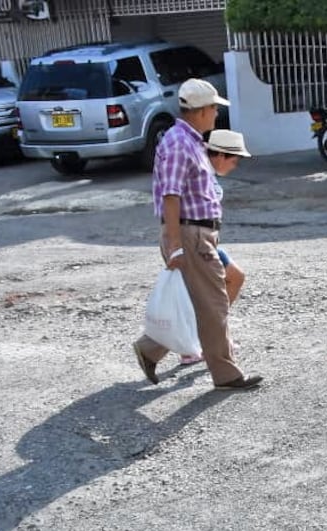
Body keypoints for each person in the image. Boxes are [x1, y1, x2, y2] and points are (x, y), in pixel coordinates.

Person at [133, 78, 262, 391]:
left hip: (199, 234)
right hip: (190, 234)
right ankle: (227, 374)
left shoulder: (190, 141)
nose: (217, 114)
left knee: (205, 298)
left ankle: (151, 348)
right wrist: (175, 244)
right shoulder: (179, 143)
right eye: (214, 109)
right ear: (202, 110)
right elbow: (171, 195)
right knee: (214, 303)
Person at [177, 128, 250, 366]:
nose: (235, 165)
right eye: (234, 159)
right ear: (219, 155)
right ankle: (195, 344)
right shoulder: (198, 173)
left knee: (233, 279)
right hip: (194, 241)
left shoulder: (208, 173)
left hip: (208, 240)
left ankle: (211, 337)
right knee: (204, 296)